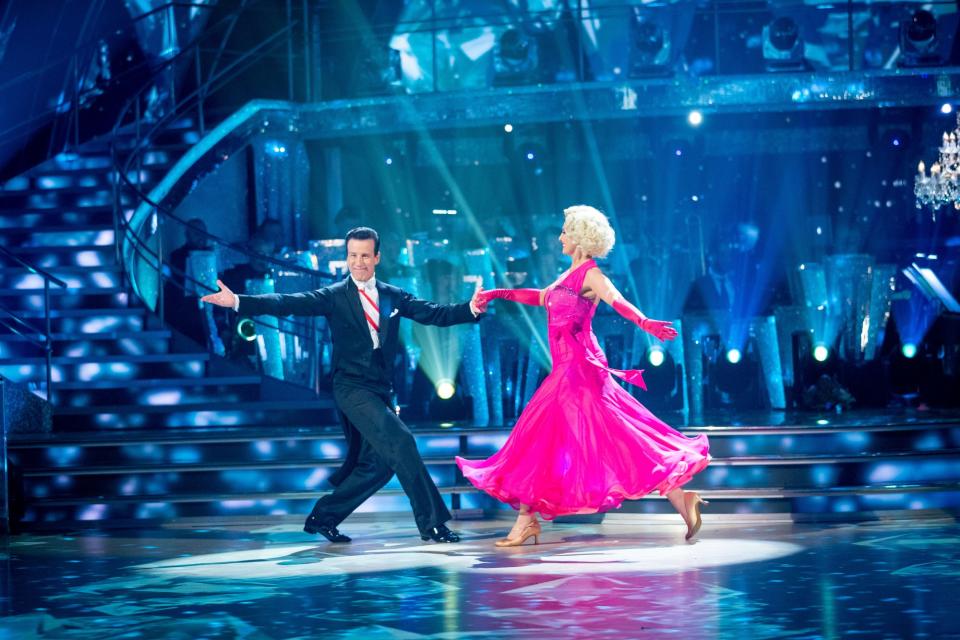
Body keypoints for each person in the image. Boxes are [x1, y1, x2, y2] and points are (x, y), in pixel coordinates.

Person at [202, 226, 486, 544]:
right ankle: (433, 524)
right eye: (353, 255)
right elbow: (286, 302)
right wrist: (238, 301)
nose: (359, 262)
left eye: (365, 255)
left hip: (380, 389)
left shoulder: (394, 295)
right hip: (351, 387)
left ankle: (324, 517)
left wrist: (470, 309)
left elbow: (433, 313)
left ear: (376, 257)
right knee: (403, 442)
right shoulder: (334, 296)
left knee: (378, 465)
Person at [459, 205, 711, 547]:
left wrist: (645, 323)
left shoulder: (590, 274)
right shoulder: (567, 275)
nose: (560, 236)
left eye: (564, 231)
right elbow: (540, 297)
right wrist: (498, 294)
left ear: (578, 237)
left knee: (541, 441)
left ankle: (525, 521)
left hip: (579, 371)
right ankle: (682, 499)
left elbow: (616, 299)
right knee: (616, 437)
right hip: (567, 371)